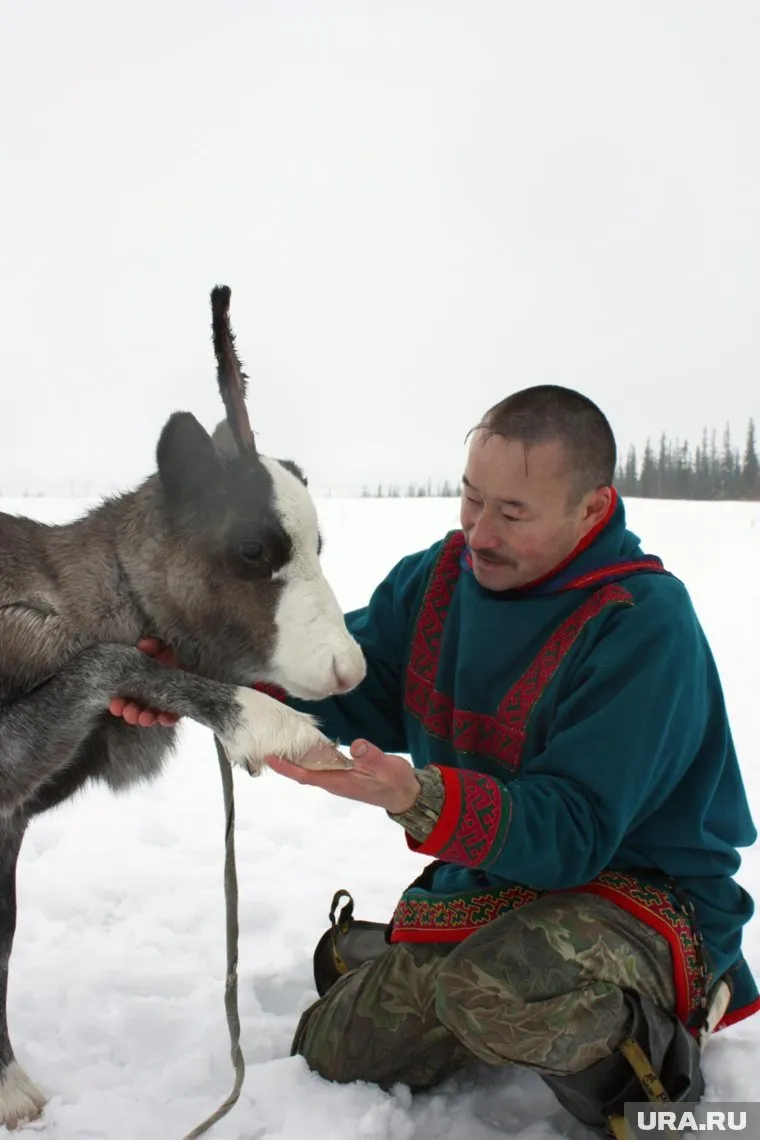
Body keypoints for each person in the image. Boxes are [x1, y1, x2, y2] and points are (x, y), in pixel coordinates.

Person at [112, 386, 758, 1137]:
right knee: (330, 1050)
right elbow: (350, 683)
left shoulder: (642, 627)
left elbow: (574, 832)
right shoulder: (442, 579)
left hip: (640, 896)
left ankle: (657, 1071)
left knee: (493, 990)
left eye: (512, 513)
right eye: (471, 499)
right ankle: (448, 966)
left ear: (591, 509)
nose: (479, 532)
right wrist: (201, 676)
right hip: (500, 883)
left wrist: (415, 795)